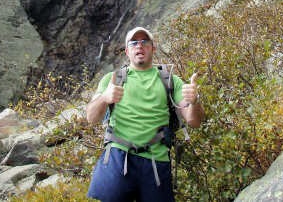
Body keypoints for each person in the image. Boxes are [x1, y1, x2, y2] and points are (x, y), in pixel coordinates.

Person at [86, 26, 205, 201]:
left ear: (153, 48)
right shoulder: (112, 79)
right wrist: (105, 97)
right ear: (127, 51)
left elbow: (194, 121)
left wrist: (195, 101)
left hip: (156, 162)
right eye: (134, 43)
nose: (139, 46)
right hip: (118, 157)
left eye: (144, 42)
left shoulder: (171, 80)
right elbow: (91, 118)